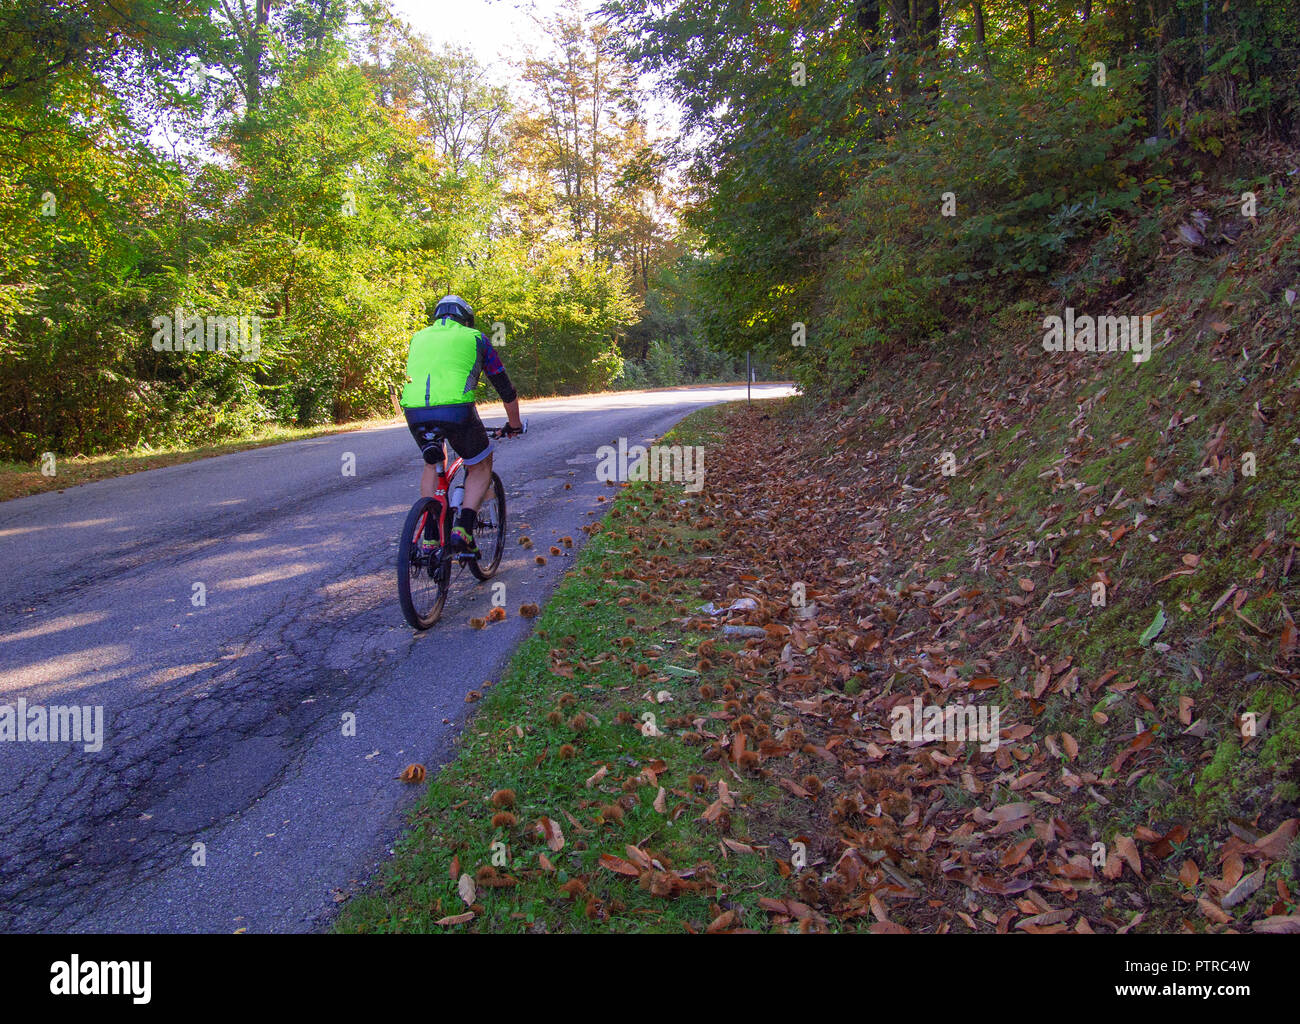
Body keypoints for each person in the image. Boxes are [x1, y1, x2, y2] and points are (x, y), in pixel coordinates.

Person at [399, 295, 523, 556]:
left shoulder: (418, 337)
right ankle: (463, 529)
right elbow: (505, 387)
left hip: (413, 411)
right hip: (456, 411)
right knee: (480, 464)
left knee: (433, 462)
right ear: (465, 319)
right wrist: (514, 424)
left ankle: (431, 534)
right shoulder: (475, 338)